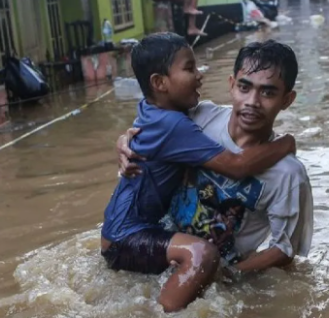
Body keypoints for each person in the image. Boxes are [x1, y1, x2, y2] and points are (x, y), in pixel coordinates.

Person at [101, 33, 296, 312]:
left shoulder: (161, 111)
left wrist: (124, 140)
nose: (200, 75)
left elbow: (285, 250)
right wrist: (287, 143)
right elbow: (237, 166)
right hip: (127, 234)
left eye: (267, 92)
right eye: (190, 69)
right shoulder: (178, 123)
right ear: (159, 83)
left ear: (287, 99)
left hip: (125, 230)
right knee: (202, 254)